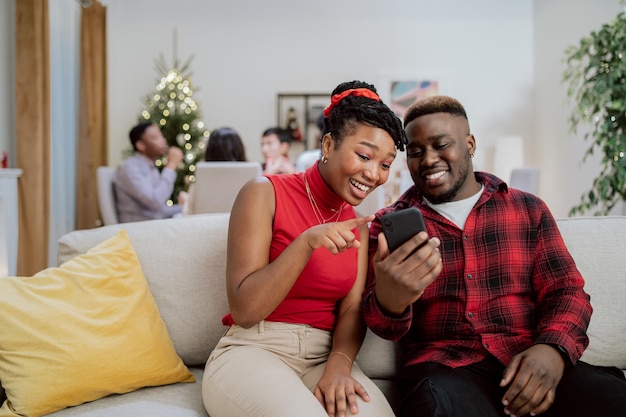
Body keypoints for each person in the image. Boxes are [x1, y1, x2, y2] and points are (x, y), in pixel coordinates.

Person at [363, 95, 626, 417]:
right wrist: (391, 300)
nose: (428, 159)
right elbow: (383, 326)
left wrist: (552, 350)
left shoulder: (527, 208)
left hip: (530, 357)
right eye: (415, 152)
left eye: (441, 144)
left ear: (470, 144)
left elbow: (566, 291)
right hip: (447, 371)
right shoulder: (388, 225)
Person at [202, 80, 408, 417]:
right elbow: (245, 310)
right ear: (328, 144)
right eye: (364, 155)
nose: (373, 174)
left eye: (385, 164)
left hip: (323, 358)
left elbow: (352, 308)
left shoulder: (358, 223)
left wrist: (340, 366)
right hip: (254, 350)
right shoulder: (263, 193)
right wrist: (307, 242)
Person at [114, 122, 187, 223]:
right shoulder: (130, 167)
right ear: (141, 145)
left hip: (152, 224)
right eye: (155, 137)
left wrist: (185, 207)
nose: (163, 140)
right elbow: (155, 202)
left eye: (162, 136)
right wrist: (171, 165)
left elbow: (158, 210)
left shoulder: (151, 167)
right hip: (138, 228)